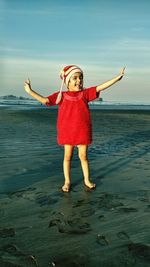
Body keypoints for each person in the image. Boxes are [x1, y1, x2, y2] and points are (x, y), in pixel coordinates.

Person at [24, 65, 125, 192]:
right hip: (67, 131)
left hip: (82, 130)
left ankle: (87, 180)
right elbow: (45, 101)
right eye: (75, 78)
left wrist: (117, 78)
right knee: (67, 156)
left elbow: (101, 86)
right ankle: (67, 181)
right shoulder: (61, 95)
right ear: (67, 82)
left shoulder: (85, 94)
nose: (79, 81)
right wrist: (29, 91)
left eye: (81, 78)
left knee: (83, 156)